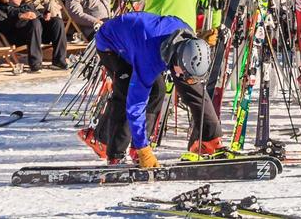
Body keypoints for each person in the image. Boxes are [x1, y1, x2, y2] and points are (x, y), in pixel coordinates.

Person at [107, 0, 220, 154]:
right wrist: (214, 29)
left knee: (145, 88)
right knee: (191, 88)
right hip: (185, 35)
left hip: (154, 35)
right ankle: (211, 139)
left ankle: (134, 145)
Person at [79, 11, 211, 168]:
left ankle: (137, 147)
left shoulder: (186, 36)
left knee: (158, 91)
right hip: (111, 44)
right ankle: (115, 154)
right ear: (177, 58)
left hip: (136, 40)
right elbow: (136, 106)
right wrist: (144, 150)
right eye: (183, 73)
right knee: (126, 90)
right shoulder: (149, 59)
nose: (181, 77)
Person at [0, 0, 69, 71]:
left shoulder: (28, 5)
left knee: (57, 21)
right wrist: (19, 16)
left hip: (37, 35)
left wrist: (45, 18)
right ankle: (35, 63)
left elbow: (39, 17)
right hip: (17, 37)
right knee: (34, 22)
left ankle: (59, 61)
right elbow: (0, 25)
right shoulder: (1, 7)